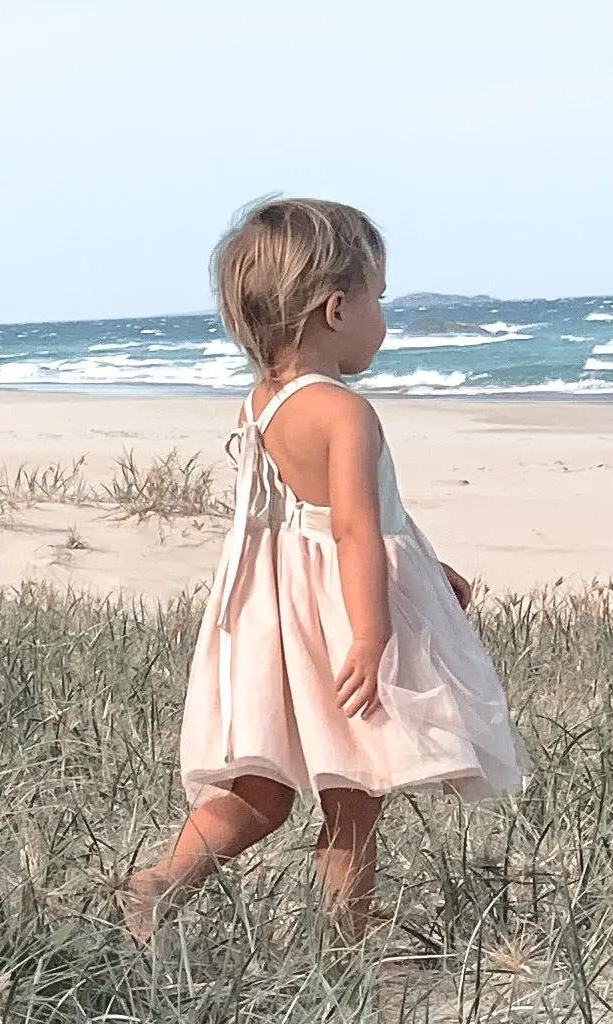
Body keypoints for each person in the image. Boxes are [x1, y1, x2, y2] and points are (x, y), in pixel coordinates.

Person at [126, 196, 523, 942]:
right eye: (380, 298)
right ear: (337, 309)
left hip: (281, 617)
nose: (384, 316)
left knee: (260, 790)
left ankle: (160, 884)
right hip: (341, 618)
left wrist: (430, 568)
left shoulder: (265, 402)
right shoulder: (344, 411)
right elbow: (352, 529)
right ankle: (351, 935)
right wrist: (372, 639)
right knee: (357, 789)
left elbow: (310, 513)